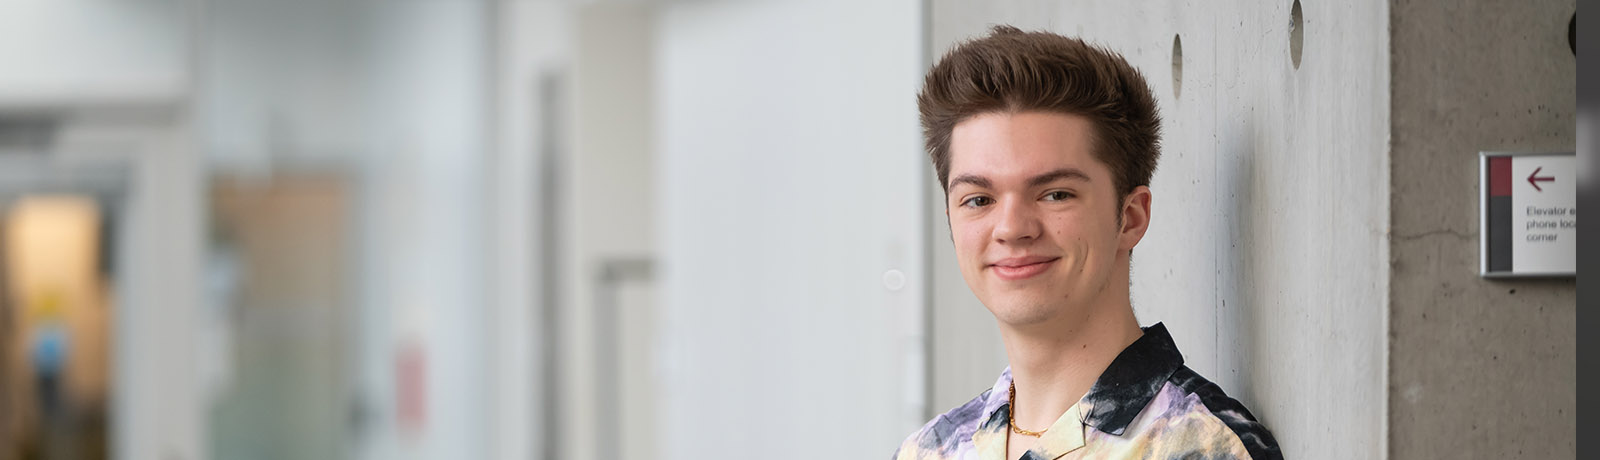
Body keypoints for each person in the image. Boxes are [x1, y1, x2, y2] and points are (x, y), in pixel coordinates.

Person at [894, 26, 1282, 460]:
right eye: (979, 199)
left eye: (1055, 193)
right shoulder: (930, 450)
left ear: (1131, 218)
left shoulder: (1199, 446)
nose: (1011, 227)